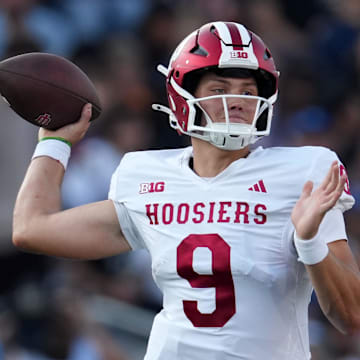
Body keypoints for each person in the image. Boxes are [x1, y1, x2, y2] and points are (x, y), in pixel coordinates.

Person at [12, 21, 360, 360]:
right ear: (183, 96)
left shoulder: (304, 173)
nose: (237, 101)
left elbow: (351, 316)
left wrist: (309, 241)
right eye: (220, 89)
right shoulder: (145, 175)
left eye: (249, 92)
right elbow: (31, 229)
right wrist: (54, 143)